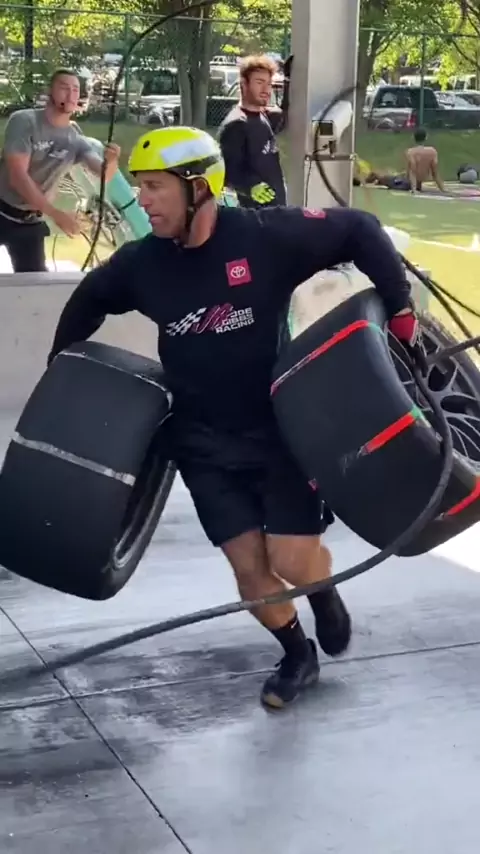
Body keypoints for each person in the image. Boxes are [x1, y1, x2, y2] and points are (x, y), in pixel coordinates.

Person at [48, 126, 418, 710]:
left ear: (198, 187)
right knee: (250, 572)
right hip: (202, 444)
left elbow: (359, 228)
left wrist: (399, 308)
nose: (141, 200)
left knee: (292, 560)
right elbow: (90, 299)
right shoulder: (143, 263)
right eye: (140, 187)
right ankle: (296, 655)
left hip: (281, 432)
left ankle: (322, 595)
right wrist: (59, 371)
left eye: (154, 186)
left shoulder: (265, 237)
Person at [0, 68, 121, 273]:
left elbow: (104, 176)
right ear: (49, 91)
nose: (71, 94)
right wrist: (57, 214)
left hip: (30, 222)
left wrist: (112, 160)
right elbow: (17, 176)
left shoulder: (76, 139)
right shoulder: (24, 121)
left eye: (75, 89)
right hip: (2, 208)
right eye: (64, 88)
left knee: (36, 282)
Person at [217, 54, 292, 209]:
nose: (266, 90)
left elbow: (284, 116)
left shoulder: (262, 115)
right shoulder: (236, 124)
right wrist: (250, 186)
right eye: (259, 82)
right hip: (254, 215)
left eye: (269, 84)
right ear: (244, 84)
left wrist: (289, 79)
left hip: (276, 212)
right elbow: (227, 171)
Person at [404, 128, 444, 194]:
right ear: (426, 138)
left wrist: (413, 189)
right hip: (418, 183)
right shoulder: (432, 151)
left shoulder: (411, 152)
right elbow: (435, 173)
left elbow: (412, 171)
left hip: (408, 183)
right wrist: (442, 189)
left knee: (387, 178)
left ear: (413, 137)